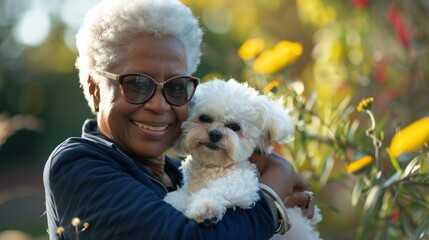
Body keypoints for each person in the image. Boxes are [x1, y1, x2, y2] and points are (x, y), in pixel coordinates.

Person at [43, 0, 315, 239]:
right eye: (137, 84)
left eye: (175, 87)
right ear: (94, 88)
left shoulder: (180, 171)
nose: (159, 105)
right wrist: (274, 191)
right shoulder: (79, 165)